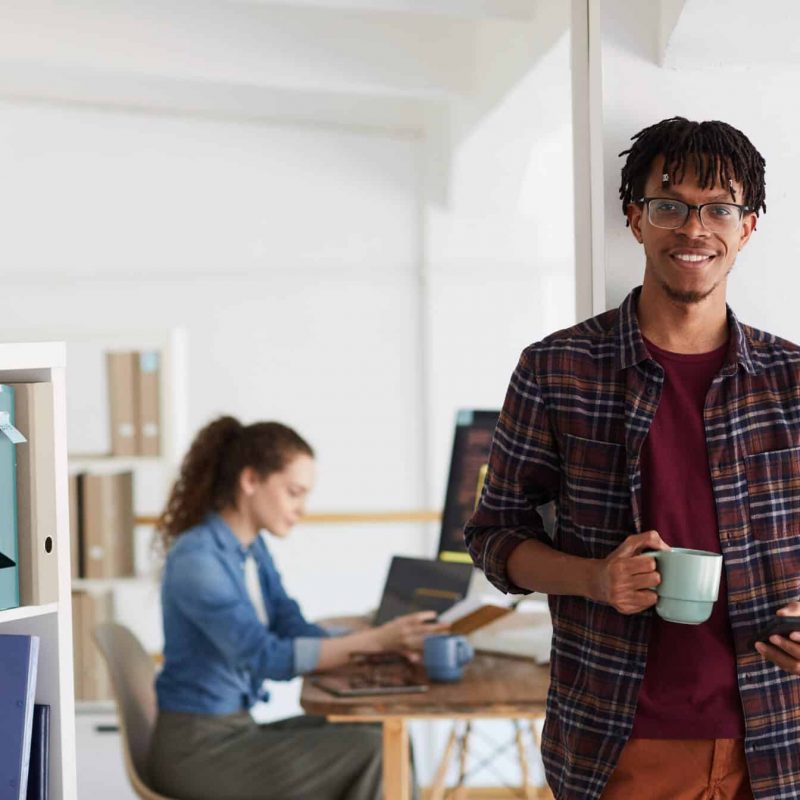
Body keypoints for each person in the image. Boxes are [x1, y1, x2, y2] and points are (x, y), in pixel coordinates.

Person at [465, 117, 800, 800]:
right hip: (620, 743)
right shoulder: (557, 369)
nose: (693, 228)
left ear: (748, 227)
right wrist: (593, 579)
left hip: (781, 735)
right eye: (669, 205)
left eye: (720, 208)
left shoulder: (792, 380)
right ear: (635, 218)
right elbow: (493, 536)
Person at [148, 416, 444, 800]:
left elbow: (291, 624)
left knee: (386, 736)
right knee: (375, 754)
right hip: (197, 750)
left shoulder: (251, 549)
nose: (302, 508)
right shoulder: (197, 558)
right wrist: (372, 641)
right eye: (293, 492)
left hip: (235, 731)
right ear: (250, 480)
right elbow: (263, 656)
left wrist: (375, 644)